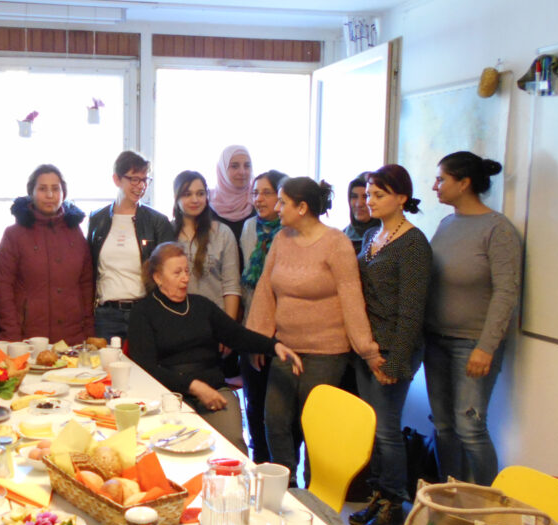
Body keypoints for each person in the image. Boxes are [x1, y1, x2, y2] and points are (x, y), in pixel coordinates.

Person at [246, 176, 384, 482]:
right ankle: (287, 485)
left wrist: (366, 349)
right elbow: (266, 291)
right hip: (286, 347)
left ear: (303, 207)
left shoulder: (336, 243)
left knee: (316, 425)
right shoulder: (282, 239)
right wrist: (259, 340)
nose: (277, 208)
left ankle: (315, 493)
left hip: (327, 352)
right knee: (276, 420)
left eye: (283, 202)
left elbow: (352, 298)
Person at [128, 243, 302, 455]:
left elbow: (237, 335)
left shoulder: (202, 305)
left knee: (232, 447)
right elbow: (146, 367)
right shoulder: (143, 312)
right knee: (176, 448)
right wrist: (194, 386)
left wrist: (274, 346)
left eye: (186, 271)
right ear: (157, 277)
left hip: (214, 389)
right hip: (168, 394)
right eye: (177, 273)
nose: (185, 278)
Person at [425, 152, 521, 486]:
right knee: (443, 426)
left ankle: (485, 506)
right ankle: (450, 500)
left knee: (470, 429)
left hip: (472, 344)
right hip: (436, 340)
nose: (435, 186)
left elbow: (506, 292)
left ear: (464, 183)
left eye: (442, 179)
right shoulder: (447, 224)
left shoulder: (498, 229)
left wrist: (486, 347)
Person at [349, 165, 432, 525]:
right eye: (368, 194)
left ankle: (394, 503)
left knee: (387, 431)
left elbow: (412, 310)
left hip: (395, 349)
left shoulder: (414, 243)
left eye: (378, 194)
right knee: (373, 429)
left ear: (401, 198)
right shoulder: (370, 235)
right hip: (369, 348)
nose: (370, 200)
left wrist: (396, 363)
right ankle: (378, 495)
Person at [0, 164, 93, 345]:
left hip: (72, 339)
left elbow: (86, 285)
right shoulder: (14, 235)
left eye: (55, 189)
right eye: (42, 189)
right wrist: (12, 335)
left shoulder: (76, 234)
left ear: (64, 194)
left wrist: (89, 333)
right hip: (28, 338)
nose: (49, 195)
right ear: (31, 192)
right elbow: (4, 287)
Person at [87, 151, 174, 341]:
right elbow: (89, 268)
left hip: (144, 311)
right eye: (134, 179)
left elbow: (168, 271)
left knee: (144, 369)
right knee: (106, 368)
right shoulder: (97, 219)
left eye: (145, 180)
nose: (140, 186)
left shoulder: (157, 221)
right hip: (106, 314)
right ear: (116, 179)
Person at [238, 169, 287, 463]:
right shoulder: (247, 229)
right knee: (253, 402)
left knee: (278, 409)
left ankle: (282, 469)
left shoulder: (290, 231)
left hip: (282, 330)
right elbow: (247, 284)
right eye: (255, 193)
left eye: (266, 193)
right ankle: (258, 462)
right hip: (251, 325)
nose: (259, 199)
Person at [172, 170, 240, 319]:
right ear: (176, 197)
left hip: (214, 321)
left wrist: (230, 331)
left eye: (200, 193)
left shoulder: (222, 233)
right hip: (174, 320)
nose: (195, 199)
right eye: (187, 194)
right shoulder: (167, 232)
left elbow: (231, 286)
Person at [209, 145, 255, 266]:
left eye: (247, 166)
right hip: (216, 280)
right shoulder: (207, 205)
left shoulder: (258, 202)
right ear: (222, 170)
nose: (242, 172)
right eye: (234, 166)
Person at [343, 172, 381, 254]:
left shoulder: (387, 237)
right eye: (354, 197)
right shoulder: (341, 238)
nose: (359, 204)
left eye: (365, 197)